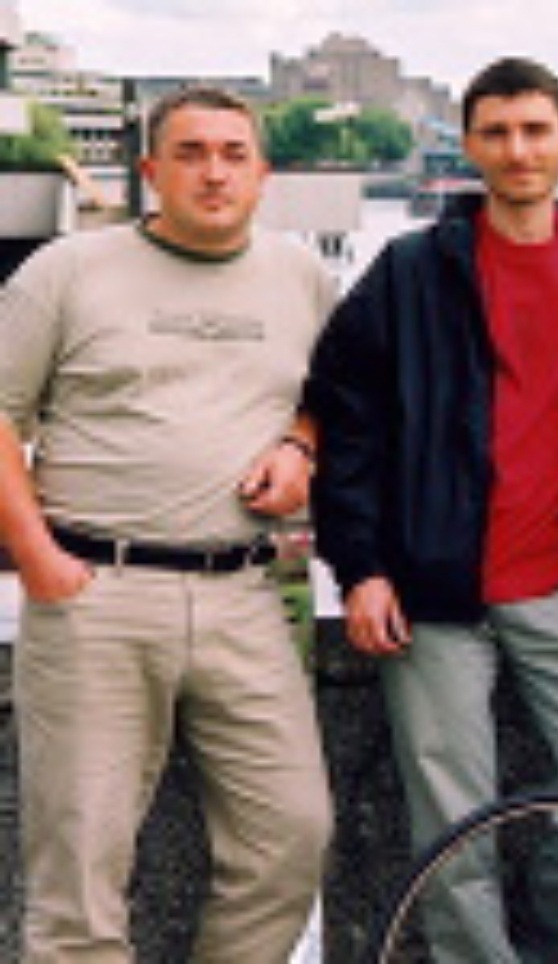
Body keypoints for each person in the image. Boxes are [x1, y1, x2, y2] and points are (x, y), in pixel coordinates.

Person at [304, 57, 558, 961]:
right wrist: (362, 569)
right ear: (468, 146)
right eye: (497, 133)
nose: (518, 150)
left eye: (536, 130)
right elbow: (346, 421)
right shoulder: (410, 270)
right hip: (432, 592)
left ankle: (543, 943)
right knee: (453, 835)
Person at [0, 86, 334, 963]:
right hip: (94, 596)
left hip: (245, 594)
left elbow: (335, 396)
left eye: (233, 154)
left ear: (263, 174)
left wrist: (300, 444)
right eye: (190, 153)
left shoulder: (302, 278)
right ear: (150, 171)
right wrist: (36, 556)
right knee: (79, 875)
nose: (213, 173)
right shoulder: (67, 271)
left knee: (291, 838)